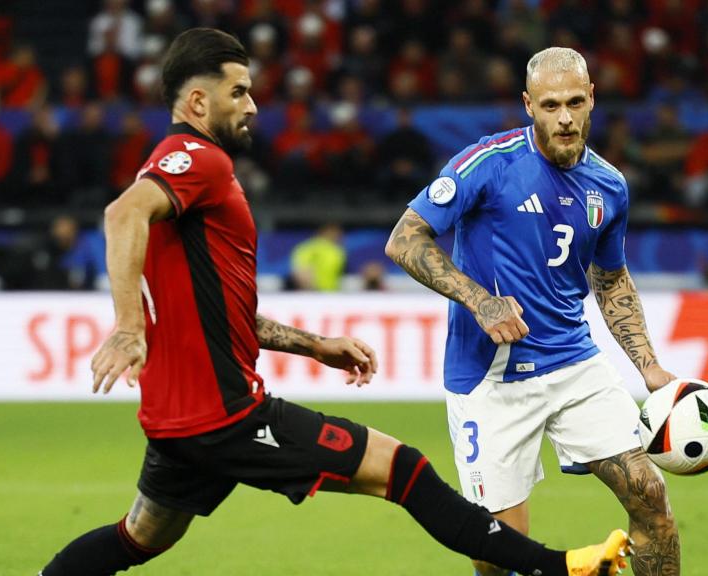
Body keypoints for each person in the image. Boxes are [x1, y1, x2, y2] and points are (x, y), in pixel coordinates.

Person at [37, 29, 630, 576]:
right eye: (238, 91)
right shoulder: (199, 161)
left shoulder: (178, 171)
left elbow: (224, 313)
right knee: (404, 471)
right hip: (227, 417)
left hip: (178, 421)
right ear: (197, 103)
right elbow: (122, 213)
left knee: (138, 537)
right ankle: (564, 568)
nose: (251, 106)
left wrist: (314, 346)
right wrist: (126, 326)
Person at [386, 47, 679, 576]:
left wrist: (648, 366)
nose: (563, 118)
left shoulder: (609, 185)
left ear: (592, 98)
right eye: (549, 105)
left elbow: (610, 279)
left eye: (573, 102)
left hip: (573, 363)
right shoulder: (487, 164)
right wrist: (480, 300)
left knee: (650, 496)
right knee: (497, 552)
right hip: (489, 379)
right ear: (528, 105)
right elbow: (405, 240)